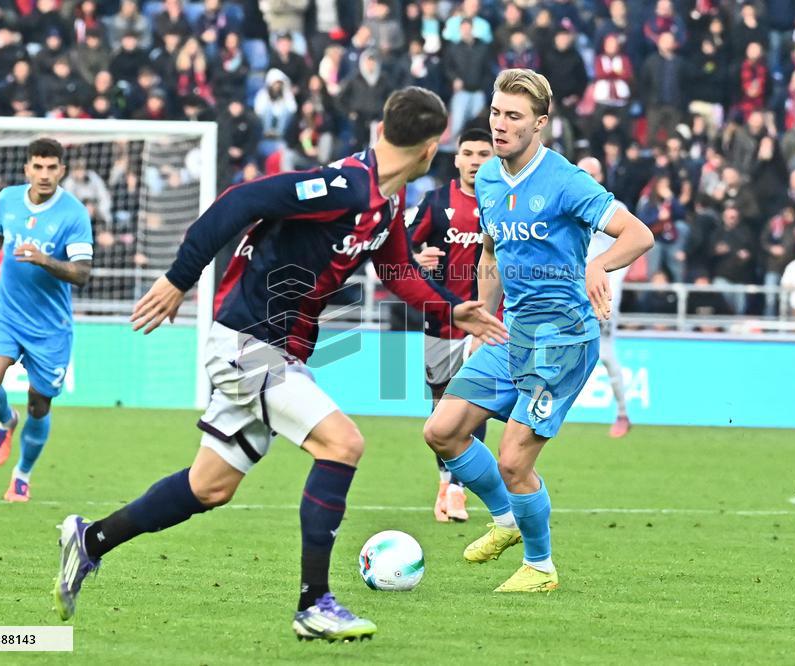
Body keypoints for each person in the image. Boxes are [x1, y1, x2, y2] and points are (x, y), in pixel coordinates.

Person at [51, 87, 508, 641]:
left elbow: (398, 272)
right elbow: (241, 201)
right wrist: (178, 278)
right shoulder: (346, 186)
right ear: (431, 147)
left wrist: (455, 308)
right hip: (246, 343)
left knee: (209, 486)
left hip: (277, 349)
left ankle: (90, 540)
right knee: (343, 444)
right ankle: (314, 604)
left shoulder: (387, 202)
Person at [423, 69, 654, 593]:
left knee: (512, 458)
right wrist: (483, 316)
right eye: (496, 113)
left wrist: (600, 266)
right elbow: (490, 250)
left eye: (514, 117)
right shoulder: (486, 178)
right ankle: (506, 518)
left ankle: (540, 566)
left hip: (562, 339)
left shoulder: (566, 180)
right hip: (511, 333)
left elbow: (639, 234)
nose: (500, 126)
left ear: (540, 125)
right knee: (441, 431)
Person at [0, 138, 93, 502]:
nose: (45, 175)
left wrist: (45, 260)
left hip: (50, 327)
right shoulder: (8, 199)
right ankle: (6, 421)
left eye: (52, 168)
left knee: (40, 404)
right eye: (38, 166)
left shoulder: (74, 214)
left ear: (62, 170)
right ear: (27, 169)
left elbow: (82, 274)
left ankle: (22, 475)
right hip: (6, 313)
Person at [407, 128, 495, 522]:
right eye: (468, 153)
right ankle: (446, 481)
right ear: (456, 159)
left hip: (488, 322)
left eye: (482, 153)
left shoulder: (505, 204)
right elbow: (403, 246)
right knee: (441, 405)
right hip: (441, 320)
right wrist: (417, 256)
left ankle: (458, 489)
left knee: (475, 408)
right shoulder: (436, 201)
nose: (475, 160)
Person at [578, 156, 631, 438]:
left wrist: (612, 284)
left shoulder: (615, 210)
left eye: (591, 173)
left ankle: (622, 413)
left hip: (604, 292)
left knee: (607, 354)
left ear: (600, 177)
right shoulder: (570, 207)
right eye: (582, 173)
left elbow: (632, 247)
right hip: (572, 290)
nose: (586, 178)